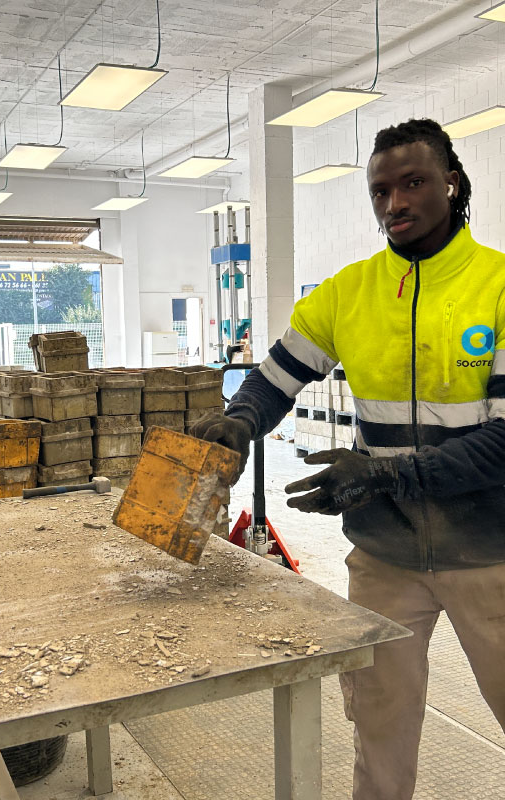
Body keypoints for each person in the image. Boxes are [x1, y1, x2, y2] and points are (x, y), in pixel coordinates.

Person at [192, 118, 505, 800]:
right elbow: (275, 378)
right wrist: (241, 421)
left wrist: (386, 473)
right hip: (386, 559)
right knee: (379, 726)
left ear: (452, 183)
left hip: (491, 555)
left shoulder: (499, 286)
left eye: (414, 183)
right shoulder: (349, 292)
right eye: (381, 190)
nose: (395, 203)